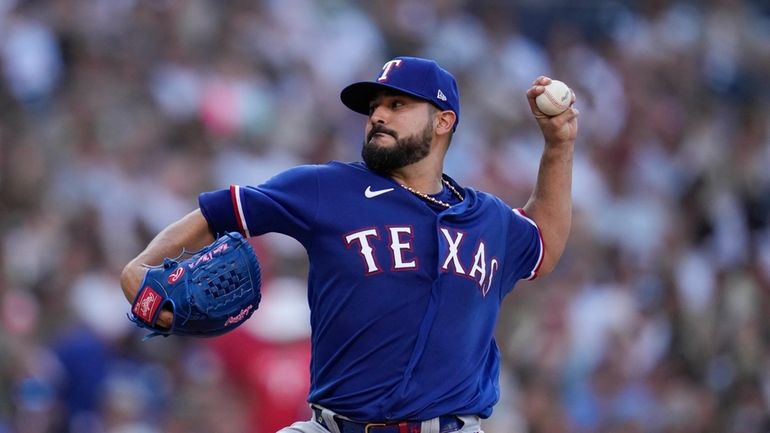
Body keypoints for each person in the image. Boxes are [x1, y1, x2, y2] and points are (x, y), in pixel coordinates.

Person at [120, 56, 578, 433]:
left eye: (397, 104)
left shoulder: (487, 218)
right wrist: (138, 268)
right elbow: (217, 212)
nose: (378, 115)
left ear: (443, 121)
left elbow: (543, 244)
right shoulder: (327, 188)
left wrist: (558, 147)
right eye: (375, 106)